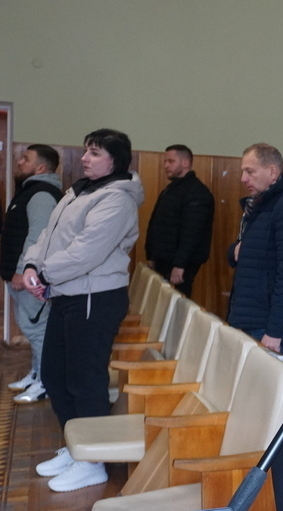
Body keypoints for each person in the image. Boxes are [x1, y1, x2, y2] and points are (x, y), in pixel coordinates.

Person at [23, 128, 143, 492]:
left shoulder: (117, 198)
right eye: (86, 151)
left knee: (84, 380)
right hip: (67, 293)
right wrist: (32, 265)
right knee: (54, 374)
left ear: (115, 160)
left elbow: (86, 251)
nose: (85, 158)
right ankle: (77, 446)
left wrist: (44, 274)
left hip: (95, 298)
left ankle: (93, 462)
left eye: (94, 153)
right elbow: (47, 236)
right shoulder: (79, 191)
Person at [227, 143, 283, 357]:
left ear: (273, 172)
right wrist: (234, 252)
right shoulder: (260, 204)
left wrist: (275, 331)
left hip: (269, 325)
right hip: (251, 315)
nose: (243, 179)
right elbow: (248, 248)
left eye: (250, 172)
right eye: (243, 172)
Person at [2, 144, 63, 404]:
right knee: (32, 328)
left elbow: (39, 236)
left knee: (38, 330)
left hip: (28, 276)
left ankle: (46, 383)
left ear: (40, 168)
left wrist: (21, 271)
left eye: (25, 159)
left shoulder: (41, 194)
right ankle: (37, 374)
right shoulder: (30, 191)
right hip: (20, 275)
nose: (19, 162)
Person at [144, 144, 214, 297]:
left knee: (177, 302)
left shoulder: (197, 193)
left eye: (171, 161)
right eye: (165, 161)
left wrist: (180, 264)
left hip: (180, 263)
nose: (166, 166)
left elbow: (192, 232)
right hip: (163, 259)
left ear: (185, 163)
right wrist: (151, 255)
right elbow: (155, 223)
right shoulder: (170, 190)